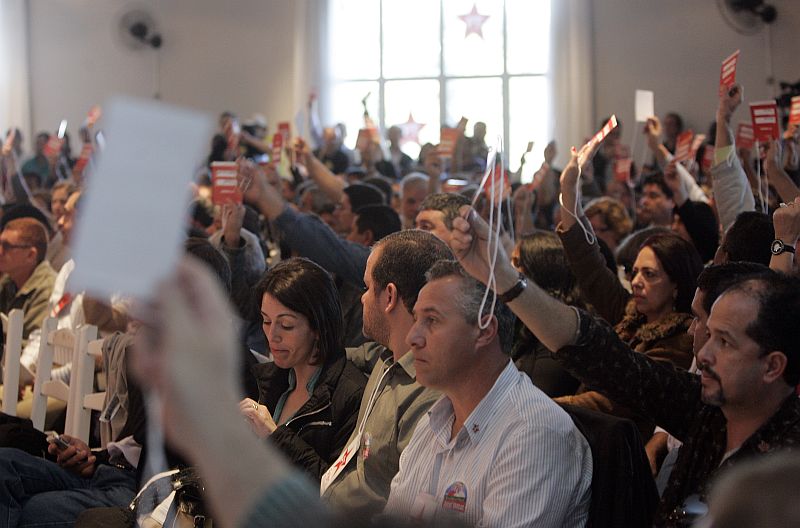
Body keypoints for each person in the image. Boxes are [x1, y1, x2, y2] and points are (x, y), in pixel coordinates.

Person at [449, 141, 800, 528]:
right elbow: (601, 354)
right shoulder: (705, 409)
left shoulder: (789, 457)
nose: (706, 353)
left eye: (726, 342)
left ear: (773, 366)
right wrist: (504, 278)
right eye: (709, 333)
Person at [383, 260, 592, 527]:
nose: (413, 337)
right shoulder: (435, 420)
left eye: (431, 320)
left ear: (485, 331)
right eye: (416, 320)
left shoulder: (535, 433)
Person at [557, 144, 703, 439]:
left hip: (626, 449)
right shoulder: (630, 313)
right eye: (634, 272)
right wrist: (569, 189)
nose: (636, 281)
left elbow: (615, 400)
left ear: (676, 285)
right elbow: (589, 265)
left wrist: (548, 406)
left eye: (649, 274)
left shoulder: (682, 339)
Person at [321, 230, 449, 517]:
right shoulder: (386, 357)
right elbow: (346, 356)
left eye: (367, 287)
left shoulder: (430, 397)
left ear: (389, 296)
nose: (363, 298)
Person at [239, 258, 366, 480]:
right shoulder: (266, 379)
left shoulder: (351, 397)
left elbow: (335, 493)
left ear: (318, 326)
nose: (272, 335)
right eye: (266, 321)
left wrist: (275, 436)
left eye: (286, 325)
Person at [509, 231, 583, 396]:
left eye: (516, 262)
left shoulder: (561, 334)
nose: (508, 269)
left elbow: (539, 394)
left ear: (539, 270)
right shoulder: (519, 318)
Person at [0, 217, 56, 340]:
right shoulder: (8, 281)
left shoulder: (48, 290)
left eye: (6, 246)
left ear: (31, 255)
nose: (0, 251)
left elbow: (34, 345)